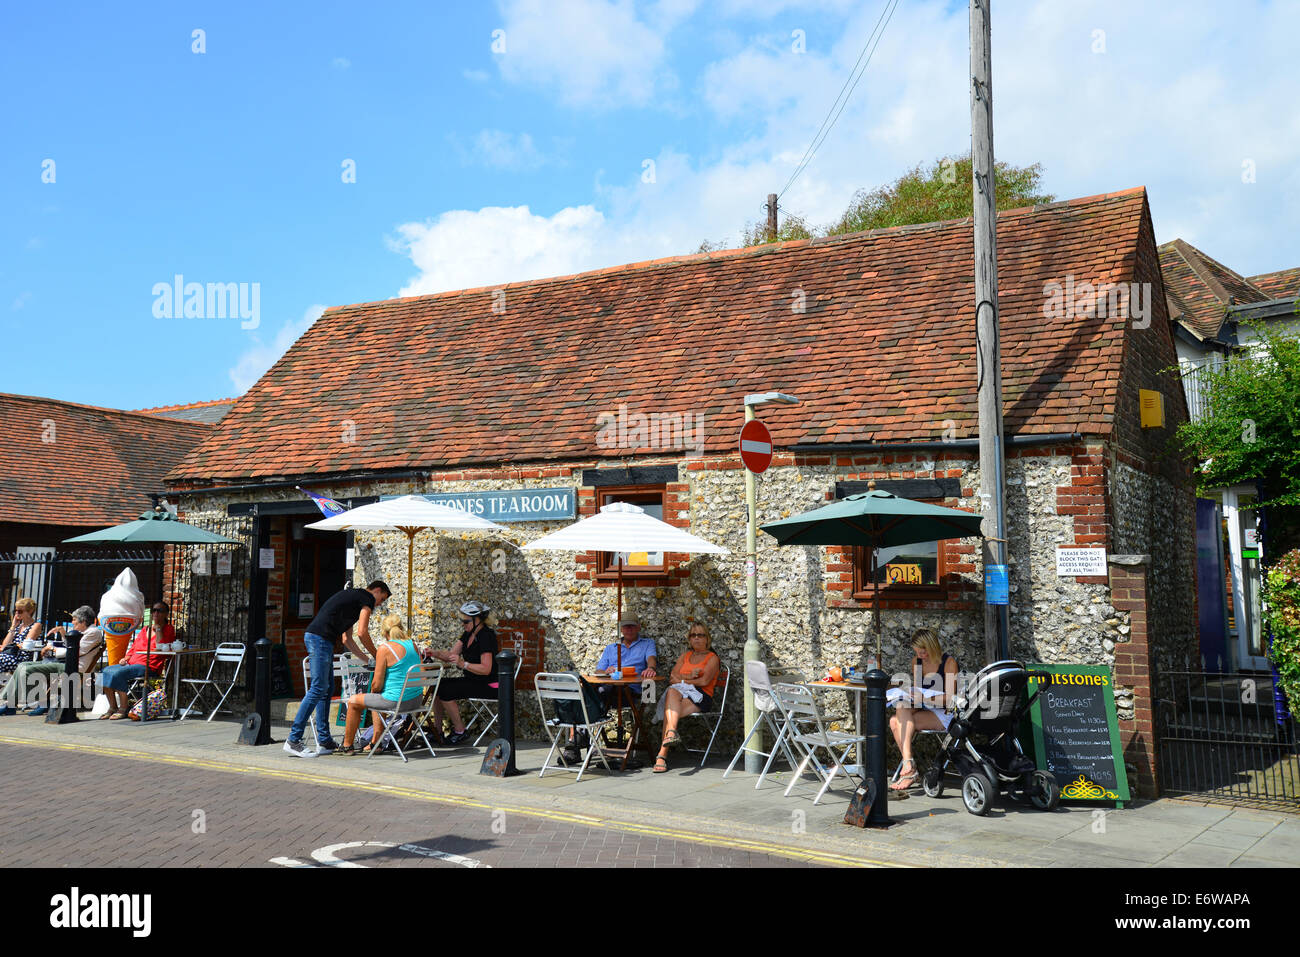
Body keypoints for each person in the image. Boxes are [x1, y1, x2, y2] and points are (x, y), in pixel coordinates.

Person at [285, 580, 390, 758]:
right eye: (382, 599)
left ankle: (325, 741)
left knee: (327, 690)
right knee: (318, 688)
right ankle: (293, 740)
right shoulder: (366, 599)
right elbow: (362, 633)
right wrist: (378, 655)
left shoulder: (353, 600)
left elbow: (347, 639)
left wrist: (366, 660)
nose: (380, 604)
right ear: (377, 591)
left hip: (321, 638)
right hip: (320, 638)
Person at [563, 616, 659, 763]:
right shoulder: (611, 648)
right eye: (626, 627)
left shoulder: (647, 644)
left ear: (639, 627)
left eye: (632, 626)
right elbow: (599, 671)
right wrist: (607, 671)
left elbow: (651, 659)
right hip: (609, 689)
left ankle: (576, 740)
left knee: (592, 696)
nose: (629, 629)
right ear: (621, 629)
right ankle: (576, 738)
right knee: (584, 694)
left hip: (630, 690)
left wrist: (651, 668)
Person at [338, 615, 423, 755]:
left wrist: (375, 690)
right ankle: (375, 744)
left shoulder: (385, 648)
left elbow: (376, 685)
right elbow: (423, 673)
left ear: (384, 633)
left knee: (354, 701)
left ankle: (347, 746)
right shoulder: (413, 645)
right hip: (416, 701)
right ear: (400, 628)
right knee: (378, 697)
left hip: (397, 702)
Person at [888, 627, 959, 791]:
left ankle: (909, 771)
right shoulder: (916, 662)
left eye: (923, 652)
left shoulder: (948, 663)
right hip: (924, 707)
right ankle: (909, 765)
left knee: (894, 722)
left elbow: (949, 699)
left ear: (932, 646)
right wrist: (912, 695)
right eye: (917, 652)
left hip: (943, 712)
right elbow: (919, 690)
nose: (920, 656)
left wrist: (925, 699)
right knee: (900, 706)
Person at [0, 605, 102, 715]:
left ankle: (42, 702)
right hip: (64, 662)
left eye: (74, 620)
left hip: (74, 666)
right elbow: (70, 647)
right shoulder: (85, 631)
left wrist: (52, 649)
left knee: (27, 670)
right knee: (22, 665)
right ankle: (9, 703)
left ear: (83, 620)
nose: (72, 622)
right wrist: (63, 634)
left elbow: (76, 651)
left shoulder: (93, 632)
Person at [428, 600, 497, 745]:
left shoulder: (486, 636)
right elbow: (452, 655)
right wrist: (434, 653)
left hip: (489, 684)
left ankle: (460, 730)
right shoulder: (468, 634)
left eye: (466, 621)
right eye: (462, 621)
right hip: (473, 680)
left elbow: (486, 669)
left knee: (446, 690)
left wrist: (463, 664)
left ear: (477, 620)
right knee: (436, 685)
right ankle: (437, 731)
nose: (463, 624)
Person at [654, 624, 720, 773]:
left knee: (669, 710)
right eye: (693, 635)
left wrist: (682, 680)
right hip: (680, 693)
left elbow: (704, 682)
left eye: (700, 635)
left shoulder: (712, 658)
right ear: (689, 639)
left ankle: (662, 755)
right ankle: (670, 735)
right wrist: (690, 677)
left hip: (700, 696)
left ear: (707, 639)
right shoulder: (685, 656)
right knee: (672, 692)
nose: (696, 638)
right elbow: (672, 678)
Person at [99, 602, 174, 720]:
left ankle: (123, 708)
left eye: (159, 611)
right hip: (132, 663)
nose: (155, 613)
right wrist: (126, 658)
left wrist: (158, 629)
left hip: (149, 666)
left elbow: (162, 646)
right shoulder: (145, 629)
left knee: (118, 674)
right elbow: (134, 647)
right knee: (104, 671)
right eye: (154, 610)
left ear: (166, 614)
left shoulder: (168, 629)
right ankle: (112, 706)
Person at [0, 597, 43, 684]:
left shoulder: (36, 625)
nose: (16, 613)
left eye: (20, 611)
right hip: (10, 655)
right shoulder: (18, 626)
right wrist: (13, 627)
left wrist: (9, 647)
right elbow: (5, 644)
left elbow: (27, 643)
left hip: (22, 657)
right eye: (15, 611)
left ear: (29, 611)